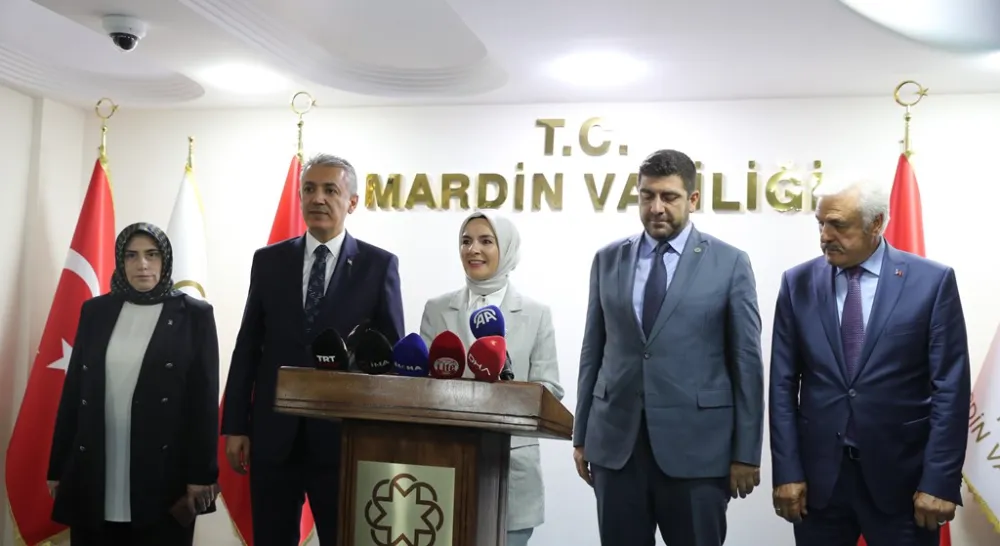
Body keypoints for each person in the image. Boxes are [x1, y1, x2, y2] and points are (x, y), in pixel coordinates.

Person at [573, 149, 764, 546]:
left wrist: (746, 451)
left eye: (669, 197)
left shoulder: (730, 263)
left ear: (693, 199)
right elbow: (593, 350)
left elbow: (746, 362)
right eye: (647, 195)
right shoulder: (608, 260)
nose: (656, 207)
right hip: (616, 448)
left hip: (698, 452)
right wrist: (581, 434)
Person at [769, 179, 971, 546]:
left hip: (904, 483)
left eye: (838, 225)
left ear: (876, 223)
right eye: (820, 224)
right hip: (820, 484)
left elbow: (950, 388)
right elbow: (782, 385)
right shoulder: (797, 283)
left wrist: (940, 480)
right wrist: (787, 471)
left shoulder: (931, 282)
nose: (825, 236)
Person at [221, 153, 405, 545]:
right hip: (273, 436)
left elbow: (388, 359)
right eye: (309, 189)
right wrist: (236, 425)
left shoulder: (378, 266)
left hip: (342, 441)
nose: (317, 198)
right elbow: (248, 345)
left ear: (352, 202)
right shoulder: (269, 261)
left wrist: (380, 436)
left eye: (330, 190)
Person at [47, 223, 220, 546]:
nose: (142, 264)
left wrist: (201, 475)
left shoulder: (194, 315)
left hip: (163, 470)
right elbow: (75, 392)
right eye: (132, 255)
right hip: (97, 461)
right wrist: (58, 468)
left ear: (165, 260)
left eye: (152, 255)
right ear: (120, 260)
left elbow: (204, 404)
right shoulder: (96, 311)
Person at [419, 211, 564, 546]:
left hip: (511, 470)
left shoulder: (536, 313)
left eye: (486, 241)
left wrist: (506, 391)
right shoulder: (437, 309)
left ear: (507, 248)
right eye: (466, 241)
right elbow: (422, 384)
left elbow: (551, 389)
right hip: (444, 465)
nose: (473, 250)